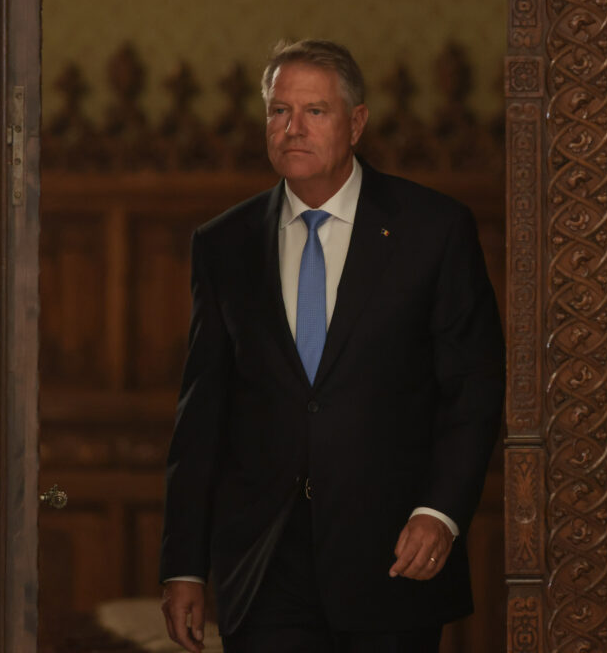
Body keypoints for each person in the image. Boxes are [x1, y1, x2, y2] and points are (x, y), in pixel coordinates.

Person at [158, 39, 505, 652]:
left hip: (393, 556)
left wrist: (441, 512)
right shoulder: (225, 243)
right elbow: (201, 416)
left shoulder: (433, 229)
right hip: (265, 565)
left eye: (314, 111)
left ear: (356, 123)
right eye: (279, 111)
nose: (292, 128)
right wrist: (183, 566)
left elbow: (473, 389)